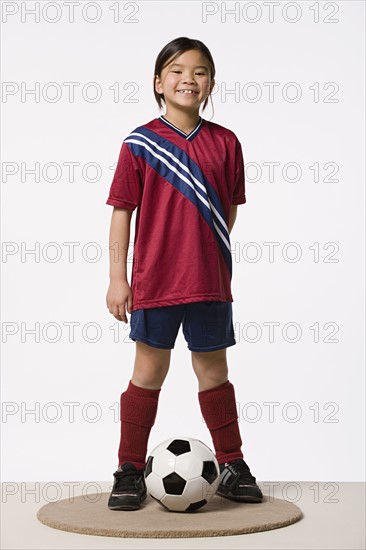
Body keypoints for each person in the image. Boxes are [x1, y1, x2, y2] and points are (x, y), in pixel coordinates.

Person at [105, 36, 263, 511]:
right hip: (155, 281)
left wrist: (207, 254)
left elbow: (228, 210)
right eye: (176, 70)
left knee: (214, 371)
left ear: (211, 83)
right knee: (148, 371)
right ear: (158, 82)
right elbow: (121, 212)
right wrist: (118, 277)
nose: (187, 79)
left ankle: (233, 464)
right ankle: (129, 468)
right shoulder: (139, 143)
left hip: (210, 283)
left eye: (198, 72)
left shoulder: (226, 142)